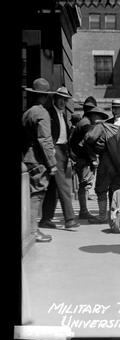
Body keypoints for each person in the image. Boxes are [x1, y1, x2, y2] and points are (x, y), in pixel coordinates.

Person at [22, 78, 57, 243]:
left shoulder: (27, 112)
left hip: (28, 157)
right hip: (38, 159)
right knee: (37, 194)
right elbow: (45, 139)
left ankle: (30, 229)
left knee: (30, 194)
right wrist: (52, 163)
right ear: (46, 96)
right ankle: (33, 231)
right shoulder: (42, 113)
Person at [40, 86, 80, 229]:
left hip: (63, 151)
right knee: (64, 185)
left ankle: (45, 219)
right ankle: (69, 219)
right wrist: (51, 155)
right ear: (55, 99)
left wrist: (70, 154)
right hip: (54, 150)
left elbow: (65, 136)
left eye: (65, 100)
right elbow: (46, 136)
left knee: (53, 188)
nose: (63, 102)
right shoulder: (48, 114)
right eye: (60, 99)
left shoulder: (63, 115)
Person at [82, 106, 120, 224]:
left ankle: (103, 216)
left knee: (101, 188)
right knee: (115, 188)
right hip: (119, 162)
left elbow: (89, 138)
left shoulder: (102, 126)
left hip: (107, 161)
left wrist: (93, 151)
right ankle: (114, 217)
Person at [69, 101, 102, 223]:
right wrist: (93, 157)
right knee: (84, 185)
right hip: (84, 159)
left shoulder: (82, 122)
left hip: (80, 158)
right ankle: (83, 211)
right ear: (92, 112)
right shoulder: (86, 124)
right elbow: (86, 143)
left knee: (84, 185)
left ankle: (83, 210)